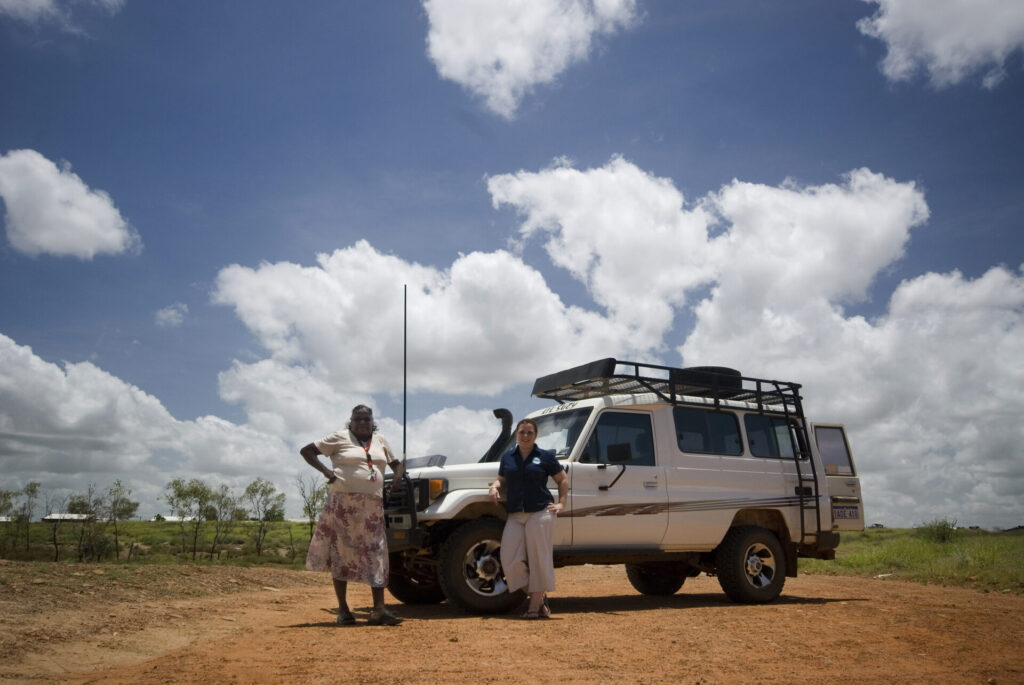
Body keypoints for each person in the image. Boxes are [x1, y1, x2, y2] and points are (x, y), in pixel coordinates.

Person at [301, 405, 405, 626]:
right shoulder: (339, 437)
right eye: (358, 419)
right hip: (343, 504)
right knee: (341, 552)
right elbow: (307, 451)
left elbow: (397, 464)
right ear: (351, 421)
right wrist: (326, 472)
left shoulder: (381, 440)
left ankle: (378, 610)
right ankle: (343, 609)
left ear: (372, 421)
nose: (363, 422)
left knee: (376, 553)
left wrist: (397, 477)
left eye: (367, 419)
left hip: (372, 506)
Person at [488, 417, 569, 619]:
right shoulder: (508, 457)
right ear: (516, 434)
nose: (525, 436)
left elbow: (562, 479)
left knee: (539, 559)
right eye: (522, 432)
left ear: (535, 435)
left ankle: (533, 607)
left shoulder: (545, 456)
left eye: (529, 433)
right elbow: (501, 478)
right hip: (515, 515)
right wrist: (494, 486)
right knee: (509, 560)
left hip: (540, 512)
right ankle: (539, 598)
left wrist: (562, 503)